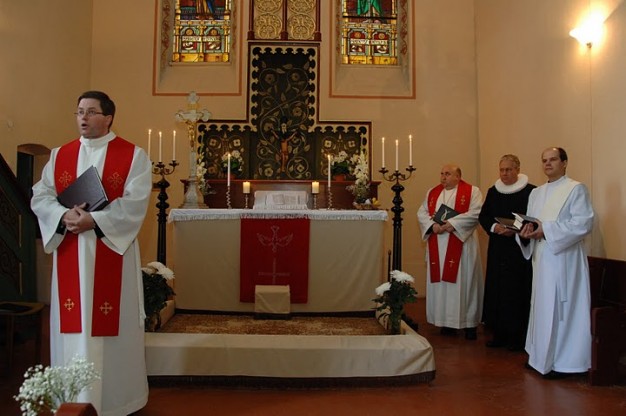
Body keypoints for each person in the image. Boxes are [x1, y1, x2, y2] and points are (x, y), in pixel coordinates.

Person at [31, 91, 152, 415]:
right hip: (71, 250)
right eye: (79, 112)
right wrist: (63, 216)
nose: (83, 117)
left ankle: (116, 401)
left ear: (108, 117)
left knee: (111, 329)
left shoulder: (133, 156)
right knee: (75, 325)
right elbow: (40, 196)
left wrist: (94, 221)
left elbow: (135, 203)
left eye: (91, 112)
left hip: (110, 250)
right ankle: (71, 399)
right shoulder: (60, 155)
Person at [517, 147, 594, 379]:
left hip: (565, 260)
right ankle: (539, 357)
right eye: (544, 161)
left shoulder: (575, 189)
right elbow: (532, 224)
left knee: (563, 310)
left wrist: (547, 230)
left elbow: (583, 224)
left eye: (553, 160)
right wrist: (526, 233)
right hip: (541, 259)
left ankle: (564, 362)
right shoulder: (536, 193)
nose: (548, 164)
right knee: (540, 307)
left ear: (564, 162)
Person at [417, 164, 484, 340]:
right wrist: (433, 225)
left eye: (447, 174)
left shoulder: (472, 191)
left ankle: (468, 324)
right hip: (438, 245)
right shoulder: (432, 192)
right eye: (442, 173)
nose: (443, 177)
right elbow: (422, 212)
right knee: (443, 285)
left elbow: (476, 213)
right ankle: (446, 322)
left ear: (458, 176)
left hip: (462, 245)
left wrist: (452, 224)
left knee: (465, 283)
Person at [479, 154, 535, 351]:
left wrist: (516, 230)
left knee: (516, 291)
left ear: (518, 169)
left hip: (519, 250)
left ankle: (518, 338)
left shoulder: (530, 191)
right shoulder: (493, 191)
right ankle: (499, 335)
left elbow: (533, 217)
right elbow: (484, 216)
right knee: (497, 290)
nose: (504, 174)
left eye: (509, 170)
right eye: (502, 170)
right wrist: (495, 227)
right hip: (498, 248)